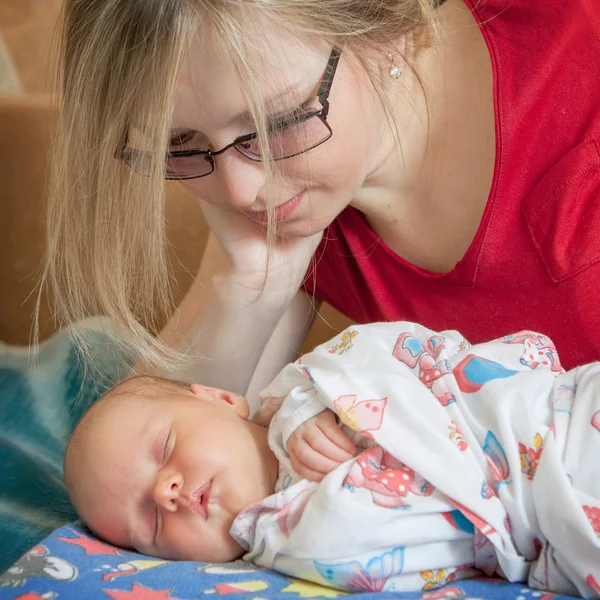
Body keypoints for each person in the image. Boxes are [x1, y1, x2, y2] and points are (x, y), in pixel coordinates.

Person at [42, 0, 600, 417]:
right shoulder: (292, 201)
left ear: (391, 31)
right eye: (177, 145)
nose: (239, 192)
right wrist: (252, 284)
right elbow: (146, 464)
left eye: (278, 122)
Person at [64, 322, 600, 597]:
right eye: (149, 523)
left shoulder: (309, 381)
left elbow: (402, 348)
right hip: (555, 538)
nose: (167, 492)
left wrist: (306, 402)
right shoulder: (287, 546)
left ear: (222, 399)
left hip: (554, 421)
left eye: (164, 449)